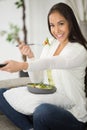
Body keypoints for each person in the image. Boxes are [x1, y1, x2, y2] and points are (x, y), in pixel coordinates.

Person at [0, 2, 87, 130]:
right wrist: (30, 57)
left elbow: (52, 62)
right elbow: (38, 80)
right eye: (52, 25)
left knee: (42, 112)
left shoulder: (78, 50)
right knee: (2, 93)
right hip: (47, 101)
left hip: (71, 114)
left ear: (70, 22)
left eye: (61, 24)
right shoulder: (51, 44)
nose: (56, 30)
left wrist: (21, 65)